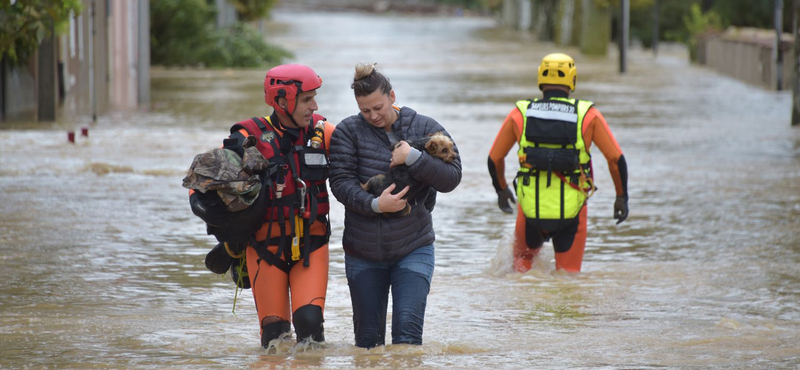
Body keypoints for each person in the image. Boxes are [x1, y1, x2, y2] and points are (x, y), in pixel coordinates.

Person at [195, 64, 335, 348]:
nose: (315, 106)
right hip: (264, 250)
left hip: (311, 245)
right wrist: (214, 214)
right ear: (283, 101)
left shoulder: (324, 133)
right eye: (307, 99)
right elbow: (204, 180)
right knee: (275, 338)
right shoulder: (248, 137)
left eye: (314, 97)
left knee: (309, 325)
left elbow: (368, 156)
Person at [329, 63, 461, 348]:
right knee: (367, 345)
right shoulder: (347, 132)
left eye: (378, 107)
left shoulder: (426, 128)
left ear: (392, 95)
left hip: (414, 246)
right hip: (362, 251)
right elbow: (340, 183)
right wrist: (376, 204)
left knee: (407, 341)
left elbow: (452, 178)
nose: (373, 116)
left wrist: (414, 157)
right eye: (365, 111)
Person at [488, 53, 629, 273]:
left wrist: (502, 190)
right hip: (572, 213)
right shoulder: (587, 115)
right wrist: (621, 197)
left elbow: (495, 157)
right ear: (572, 79)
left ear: (540, 79)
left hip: (530, 212)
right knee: (568, 282)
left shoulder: (521, 113)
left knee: (521, 276)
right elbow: (615, 159)